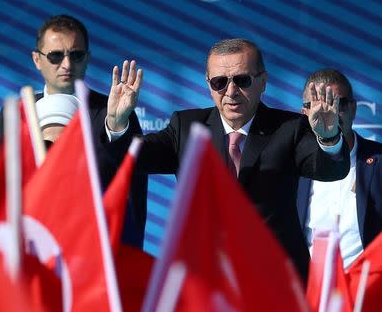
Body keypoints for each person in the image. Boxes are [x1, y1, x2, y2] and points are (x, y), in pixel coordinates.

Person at [104, 38, 350, 282]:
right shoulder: (186, 126)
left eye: (242, 81)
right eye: (219, 82)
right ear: (209, 85)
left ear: (262, 82)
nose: (231, 92)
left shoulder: (290, 128)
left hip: (276, 283)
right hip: (207, 281)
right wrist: (116, 124)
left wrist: (329, 138)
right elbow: (133, 159)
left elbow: (330, 169)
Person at [0, 14, 147, 248]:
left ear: (87, 58)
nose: (66, 65)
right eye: (56, 55)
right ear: (37, 59)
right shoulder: (15, 114)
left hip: (91, 259)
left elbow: (130, 198)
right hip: (30, 253)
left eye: (75, 55)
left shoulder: (118, 111)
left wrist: (115, 127)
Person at [297, 68, 382, 268]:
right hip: (310, 291)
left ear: (353, 108)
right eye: (320, 104)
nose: (331, 114)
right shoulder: (292, 167)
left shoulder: (379, 160)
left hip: (366, 291)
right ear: (305, 113)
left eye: (338, 104)